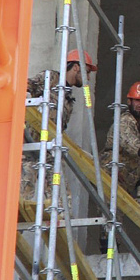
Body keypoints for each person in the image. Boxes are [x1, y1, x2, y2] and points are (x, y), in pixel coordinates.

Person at [20, 49, 97, 200]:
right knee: (23, 193)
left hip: (50, 153)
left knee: (60, 196)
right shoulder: (51, 78)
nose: (88, 77)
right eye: (87, 72)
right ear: (76, 67)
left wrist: (78, 151)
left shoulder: (68, 100)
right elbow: (27, 86)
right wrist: (25, 96)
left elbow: (59, 131)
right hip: (30, 146)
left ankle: (58, 212)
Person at [101, 81, 140, 205]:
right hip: (111, 178)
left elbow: (136, 160)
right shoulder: (125, 120)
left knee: (117, 215)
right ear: (129, 101)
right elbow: (128, 139)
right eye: (137, 100)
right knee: (111, 214)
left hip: (123, 183)